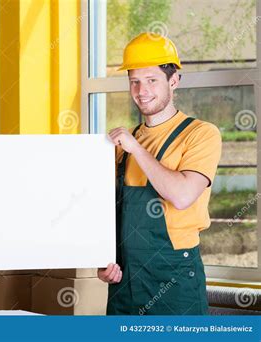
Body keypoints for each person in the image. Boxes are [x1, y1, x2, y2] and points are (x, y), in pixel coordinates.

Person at [98, 32, 222, 315]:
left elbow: (181, 196)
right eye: (135, 81)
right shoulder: (121, 143)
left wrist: (137, 149)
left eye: (152, 80)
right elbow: (104, 211)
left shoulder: (201, 134)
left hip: (174, 280)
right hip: (125, 282)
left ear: (174, 80)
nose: (142, 90)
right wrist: (102, 261)